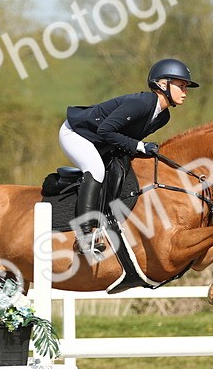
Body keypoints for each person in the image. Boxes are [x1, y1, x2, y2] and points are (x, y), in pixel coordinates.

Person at [58, 58, 200, 253]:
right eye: (181, 86)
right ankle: (84, 236)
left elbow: (122, 138)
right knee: (96, 170)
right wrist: (141, 146)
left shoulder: (163, 116)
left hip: (100, 140)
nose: (185, 92)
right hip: (77, 133)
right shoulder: (141, 103)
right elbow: (105, 130)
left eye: (186, 87)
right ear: (162, 84)